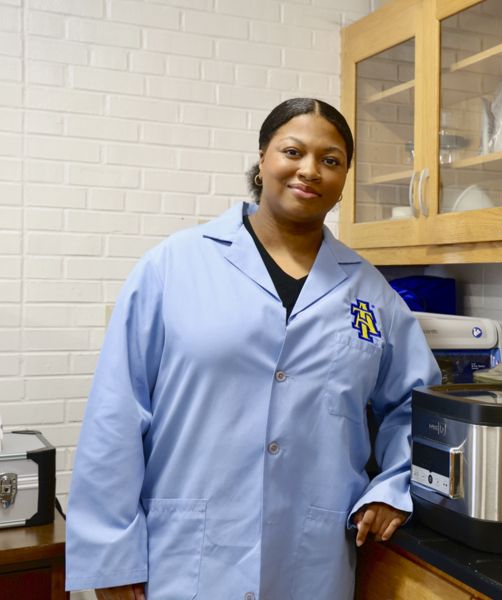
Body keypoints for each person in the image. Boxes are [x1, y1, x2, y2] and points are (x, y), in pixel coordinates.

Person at [65, 98, 441, 600]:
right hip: (185, 557)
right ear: (263, 159)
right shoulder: (173, 267)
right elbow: (115, 416)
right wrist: (111, 557)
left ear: (344, 179)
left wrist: (394, 486)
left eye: (331, 161)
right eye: (293, 151)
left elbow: (416, 407)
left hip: (311, 560)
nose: (310, 170)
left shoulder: (371, 295)